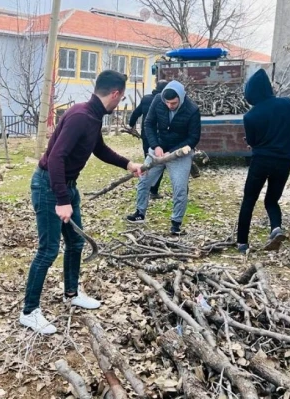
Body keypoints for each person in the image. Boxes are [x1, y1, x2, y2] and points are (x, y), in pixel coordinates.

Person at [20, 70, 143, 335]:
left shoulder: (92, 116)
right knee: (48, 249)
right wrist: (62, 200)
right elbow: (55, 158)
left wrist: (128, 164)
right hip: (49, 186)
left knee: (75, 242)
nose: (119, 103)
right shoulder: (80, 116)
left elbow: (99, 148)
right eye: (121, 99)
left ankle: (72, 293)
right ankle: (29, 311)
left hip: (67, 187)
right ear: (115, 93)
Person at [125, 80, 201, 235]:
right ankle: (140, 213)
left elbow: (193, 137)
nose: (169, 106)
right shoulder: (158, 100)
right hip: (158, 149)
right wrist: (156, 146)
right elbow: (149, 124)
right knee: (144, 180)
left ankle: (176, 224)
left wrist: (172, 152)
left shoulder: (192, 109)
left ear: (181, 97)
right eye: (167, 103)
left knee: (179, 188)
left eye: (173, 103)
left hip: (180, 153)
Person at [236, 69, 290, 253]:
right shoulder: (287, 104)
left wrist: (253, 143)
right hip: (284, 160)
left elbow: (253, 142)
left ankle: (242, 243)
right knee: (272, 199)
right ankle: (276, 228)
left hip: (261, 161)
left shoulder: (250, 116)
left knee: (249, 199)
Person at [128, 80, 169, 199]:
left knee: (149, 161)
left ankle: (144, 187)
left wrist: (131, 125)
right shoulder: (164, 100)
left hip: (146, 135)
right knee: (159, 162)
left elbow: (136, 113)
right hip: (160, 136)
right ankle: (154, 191)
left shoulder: (146, 99)